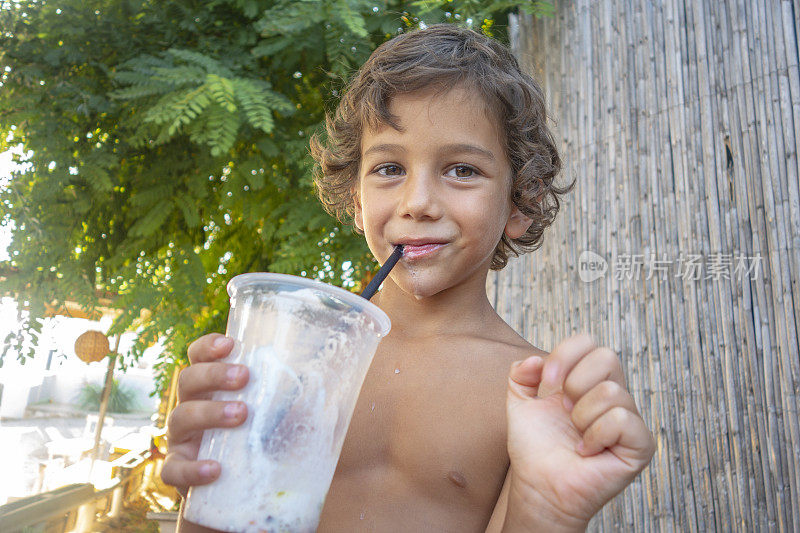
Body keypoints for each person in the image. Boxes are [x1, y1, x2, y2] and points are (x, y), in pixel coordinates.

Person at [161, 23, 656, 532]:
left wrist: (548, 512)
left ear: (520, 202)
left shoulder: (534, 393)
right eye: (389, 169)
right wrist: (204, 492)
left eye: (462, 170)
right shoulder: (291, 361)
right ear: (356, 199)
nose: (417, 203)